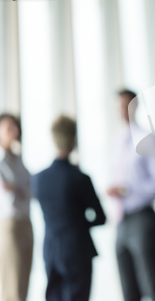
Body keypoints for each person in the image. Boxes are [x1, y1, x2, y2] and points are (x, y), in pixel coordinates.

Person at [32, 115, 106, 301]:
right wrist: (78, 223)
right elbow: (100, 217)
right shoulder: (80, 178)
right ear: (73, 140)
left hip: (50, 248)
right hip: (77, 248)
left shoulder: (39, 179)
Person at [107, 89, 155, 301]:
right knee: (127, 287)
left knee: (150, 281)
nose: (122, 111)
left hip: (142, 217)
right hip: (122, 219)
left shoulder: (147, 140)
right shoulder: (117, 142)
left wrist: (130, 190)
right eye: (119, 106)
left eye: (125, 105)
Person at [0, 113, 33, 301]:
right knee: (11, 285)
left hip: (25, 221)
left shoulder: (18, 159)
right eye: (8, 128)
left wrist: (16, 190)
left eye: (15, 127)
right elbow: (8, 194)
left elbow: (27, 192)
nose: (14, 132)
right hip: (9, 224)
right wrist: (17, 190)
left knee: (23, 282)